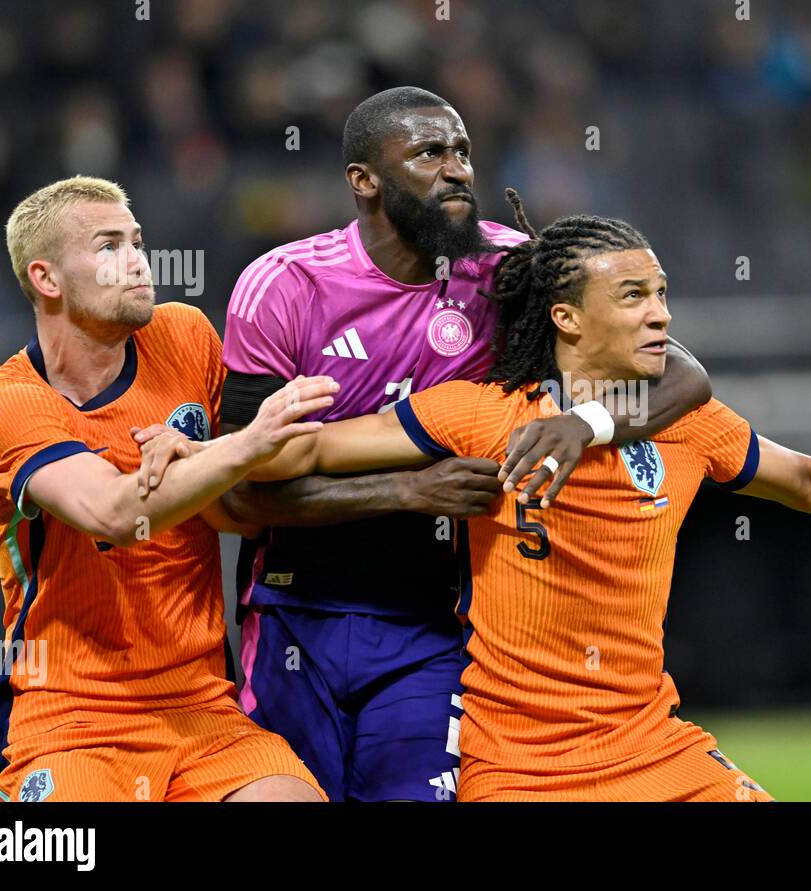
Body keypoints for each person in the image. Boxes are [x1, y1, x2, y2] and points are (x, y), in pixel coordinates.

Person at [239, 192, 811, 800]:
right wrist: (221, 452)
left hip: (652, 746)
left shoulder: (687, 423)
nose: (661, 313)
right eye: (634, 295)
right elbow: (312, 448)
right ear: (566, 316)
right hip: (518, 768)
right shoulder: (479, 414)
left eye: (662, 293)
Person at [215, 87, 711, 801]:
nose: (457, 169)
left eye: (463, 151)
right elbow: (239, 491)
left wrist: (587, 423)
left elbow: (683, 375)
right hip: (295, 610)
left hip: (437, 624)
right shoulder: (285, 286)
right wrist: (408, 491)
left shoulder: (508, 272)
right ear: (365, 180)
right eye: (429, 152)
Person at [0, 176, 334, 801]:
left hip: (201, 706)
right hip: (66, 717)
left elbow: (243, 512)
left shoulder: (186, 335)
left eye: (138, 240)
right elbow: (111, 511)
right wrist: (244, 444)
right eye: (108, 245)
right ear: (46, 279)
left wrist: (206, 452)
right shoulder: (8, 402)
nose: (138, 259)